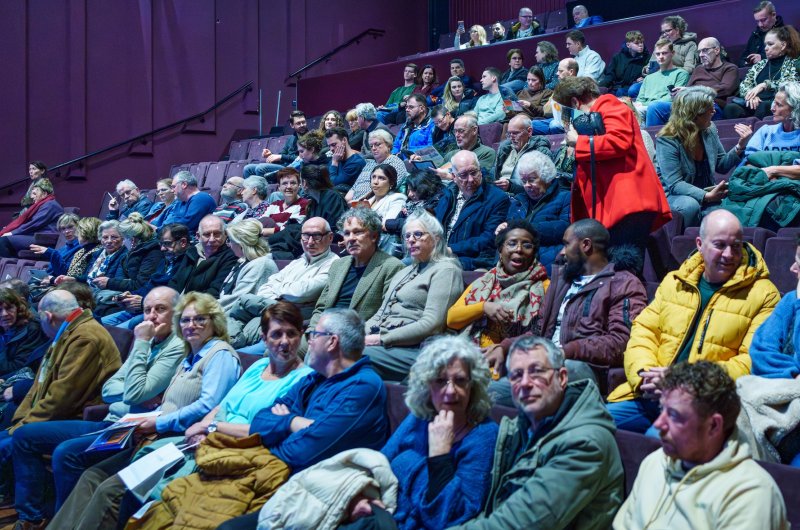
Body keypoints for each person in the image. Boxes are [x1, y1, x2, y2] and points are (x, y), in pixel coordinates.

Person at [48, 291, 241, 530]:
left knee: (111, 489)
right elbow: (113, 389)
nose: (191, 325)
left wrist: (157, 422)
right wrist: (148, 418)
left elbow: (208, 405)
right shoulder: (189, 356)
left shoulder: (219, 354)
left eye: (200, 319)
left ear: (215, 321)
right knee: (91, 476)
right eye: (185, 319)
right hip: (156, 436)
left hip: (183, 443)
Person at [118, 301, 314, 522]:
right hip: (206, 438)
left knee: (158, 499)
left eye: (292, 334)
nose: (285, 342)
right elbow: (222, 405)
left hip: (237, 450)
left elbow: (266, 429)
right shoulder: (258, 366)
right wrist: (203, 429)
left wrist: (209, 426)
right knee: (131, 486)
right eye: (277, 334)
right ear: (263, 337)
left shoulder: (304, 379)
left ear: (302, 334)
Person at [9, 287, 184, 526]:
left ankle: (65, 523)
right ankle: (32, 518)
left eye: (160, 309)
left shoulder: (173, 346)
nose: (151, 316)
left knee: (66, 452)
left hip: (133, 431)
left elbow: (135, 392)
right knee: (24, 435)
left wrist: (140, 349)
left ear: (177, 313)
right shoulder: (149, 341)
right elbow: (110, 388)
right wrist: (135, 393)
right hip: (110, 421)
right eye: (146, 310)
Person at [210, 308, 389, 530]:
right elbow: (261, 418)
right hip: (287, 479)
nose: (309, 342)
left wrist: (280, 428)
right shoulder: (315, 379)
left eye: (313, 335)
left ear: (332, 342)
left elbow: (302, 452)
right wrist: (292, 423)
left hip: (317, 491)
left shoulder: (362, 386)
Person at [607, 209, 781, 433]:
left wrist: (683, 381)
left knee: (657, 437)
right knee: (592, 426)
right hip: (652, 392)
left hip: (705, 401)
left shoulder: (763, 294)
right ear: (699, 244)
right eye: (720, 245)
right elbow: (644, 331)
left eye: (736, 246)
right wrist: (644, 375)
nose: (729, 254)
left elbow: (751, 361)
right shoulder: (675, 281)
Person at [451, 335, 623, 529]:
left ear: (562, 377)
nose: (525, 383)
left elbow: (518, 524)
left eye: (537, 372)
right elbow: (493, 511)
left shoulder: (586, 443)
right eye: (516, 375)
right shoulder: (519, 428)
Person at [613, 361, 789, 529]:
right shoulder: (655, 462)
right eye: (662, 409)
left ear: (713, 426)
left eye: (674, 415)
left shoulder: (750, 494)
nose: (659, 424)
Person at [348, 335, 499, 529]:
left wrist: (440, 456)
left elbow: (451, 517)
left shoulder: (483, 435)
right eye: (441, 381)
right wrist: (361, 497)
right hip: (378, 513)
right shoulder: (421, 416)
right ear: (427, 385)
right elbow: (380, 463)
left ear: (473, 385)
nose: (451, 391)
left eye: (460, 381)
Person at [0, 290, 121, 502]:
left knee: (16, 440)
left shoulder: (85, 337)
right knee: (10, 434)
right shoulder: (68, 331)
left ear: (48, 317)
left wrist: (22, 426)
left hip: (77, 417)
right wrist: (20, 421)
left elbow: (62, 397)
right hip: (56, 414)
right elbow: (38, 387)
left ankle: (30, 517)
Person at [554, 77, 672, 254]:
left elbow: (619, 141)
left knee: (624, 269)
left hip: (628, 205)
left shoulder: (609, 105)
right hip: (618, 205)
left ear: (575, 102)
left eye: (566, 110)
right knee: (617, 270)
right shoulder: (604, 109)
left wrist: (579, 141)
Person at [363, 211, 463, 382]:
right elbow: (380, 314)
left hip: (415, 349)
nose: (410, 240)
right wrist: (361, 336)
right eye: (407, 236)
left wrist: (381, 339)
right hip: (385, 342)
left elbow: (432, 324)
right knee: (330, 344)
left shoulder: (447, 270)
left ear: (436, 238)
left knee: (351, 353)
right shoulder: (405, 271)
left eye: (418, 234)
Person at [300, 207, 404, 355]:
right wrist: (313, 332)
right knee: (276, 352)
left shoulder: (391, 267)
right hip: (323, 331)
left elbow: (386, 313)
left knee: (315, 356)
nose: (351, 238)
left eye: (358, 232)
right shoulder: (338, 265)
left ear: (374, 236)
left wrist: (349, 336)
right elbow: (321, 307)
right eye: (347, 233)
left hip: (355, 337)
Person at [227, 217, 338, 347]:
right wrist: (285, 293)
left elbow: (301, 291)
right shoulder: (298, 262)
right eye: (306, 236)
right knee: (235, 320)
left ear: (330, 237)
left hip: (292, 318)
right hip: (273, 312)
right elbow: (264, 288)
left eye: (317, 236)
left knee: (243, 302)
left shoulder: (334, 264)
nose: (310, 242)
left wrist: (278, 288)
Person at [656, 86, 753, 226]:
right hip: (674, 195)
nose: (714, 111)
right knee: (690, 206)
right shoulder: (668, 139)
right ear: (694, 114)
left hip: (706, 191)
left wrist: (740, 146)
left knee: (725, 213)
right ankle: (686, 244)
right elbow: (675, 183)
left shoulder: (709, 128)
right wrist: (706, 196)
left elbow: (722, 165)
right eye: (709, 108)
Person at [448, 220, 546, 347]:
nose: (519, 249)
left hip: (514, 356)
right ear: (500, 250)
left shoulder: (544, 286)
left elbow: (540, 331)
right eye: (512, 243)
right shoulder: (485, 281)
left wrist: (502, 348)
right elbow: (451, 320)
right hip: (469, 351)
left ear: (534, 253)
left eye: (527, 245)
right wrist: (483, 308)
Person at [750, 234, 800, 466]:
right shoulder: (791, 301)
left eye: (799, 262)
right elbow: (761, 349)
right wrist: (793, 376)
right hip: (784, 402)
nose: (792, 269)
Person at [435, 150, 510, 270]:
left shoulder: (497, 199)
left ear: (480, 171)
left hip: (471, 259)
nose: (470, 179)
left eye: (473, 172)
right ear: (454, 177)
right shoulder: (448, 194)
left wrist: (451, 249)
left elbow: (489, 239)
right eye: (463, 175)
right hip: (440, 254)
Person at [645, 37, 740, 126]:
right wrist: (679, 93)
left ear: (717, 50)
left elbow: (725, 89)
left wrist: (692, 91)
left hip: (710, 105)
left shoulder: (730, 68)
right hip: (689, 104)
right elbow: (688, 89)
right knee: (654, 107)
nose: (701, 55)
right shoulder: (699, 69)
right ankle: (655, 142)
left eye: (705, 50)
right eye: (699, 52)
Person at [500, 151, 570, 271]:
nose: (527, 185)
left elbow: (565, 228)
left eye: (532, 180)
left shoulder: (565, 197)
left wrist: (525, 229)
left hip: (545, 263)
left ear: (546, 177)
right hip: (514, 262)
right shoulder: (518, 201)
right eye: (523, 181)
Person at [94, 213, 165, 315]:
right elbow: (124, 278)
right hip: (129, 294)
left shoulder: (153, 252)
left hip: (141, 300)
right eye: (105, 237)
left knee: (102, 310)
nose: (124, 240)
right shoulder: (133, 250)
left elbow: (140, 284)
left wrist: (110, 282)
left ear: (133, 239)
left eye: (124, 237)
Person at [724, 25, 800, 119]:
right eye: (765, 45)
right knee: (731, 108)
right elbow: (744, 85)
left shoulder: (792, 63)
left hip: (776, 101)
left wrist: (765, 85)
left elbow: (789, 85)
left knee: (764, 107)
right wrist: (751, 95)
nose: (766, 48)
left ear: (783, 45)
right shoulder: (759, 65)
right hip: (754, 102)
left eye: (770, 44)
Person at [217, 219, 278, 314]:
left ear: (241, 245)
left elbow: (237, 300)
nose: (228, 245)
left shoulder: (262, 265)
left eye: (230, 240)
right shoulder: (243, 261)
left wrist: (206, 309)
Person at [0, 179, 64, 258]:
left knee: (2, 241)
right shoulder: (44, 204)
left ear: (44, 194)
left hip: (44, 238)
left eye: (34, 193)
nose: (31, 196)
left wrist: (12, 233)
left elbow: (34, 224)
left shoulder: (50, 205)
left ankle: (10, 267)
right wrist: (11, 230)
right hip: (35, 234)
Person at [493, 114, 552, 195]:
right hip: (501, 195)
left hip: (523, 197)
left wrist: (511, 186)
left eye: (515, 133)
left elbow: (542, 184)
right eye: (509, 134)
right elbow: (495, 174)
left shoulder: (540, 151)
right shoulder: (504, 149)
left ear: (529, 131)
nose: (511, 137)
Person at [636, 39, 691, 124]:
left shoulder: (681, 73)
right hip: (647, 108)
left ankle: (650, 136)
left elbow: (673, 98)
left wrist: (648, 104)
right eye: (658, 54)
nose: (660, 57)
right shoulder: (648, 78)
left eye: (664, 53)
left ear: (672, 53)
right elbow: (640, 100)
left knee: (653, 107)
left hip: (668, 108)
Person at [0, 287, 48, 382]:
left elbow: (17, 368)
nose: (4, 314)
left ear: (17, 308)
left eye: (9, 308)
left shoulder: (32, 329)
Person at [242, 110, 309, 178]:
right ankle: (250, 187)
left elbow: (305, 158)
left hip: (296, 168)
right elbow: (282, 155)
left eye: (303, 122)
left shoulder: (311, 137)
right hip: (285, 166)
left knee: (261, 168)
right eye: (298, 123)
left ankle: (264, 187)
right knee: (247, 168)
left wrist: (281, 157)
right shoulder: (291, 138)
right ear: (292, 125)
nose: (302, 125)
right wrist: (271, 155)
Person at [348, 129, 409, 201]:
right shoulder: (369, 164)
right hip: (354, 204)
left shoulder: (395, 162)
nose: (373, 148)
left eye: (377, 144)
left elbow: (386, 190)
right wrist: (347, 202)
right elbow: (354, 187)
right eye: (371, 146)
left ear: (388, 145)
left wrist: (359, 201)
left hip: (374, 203)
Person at [744, 81, 800, 156]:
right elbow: (749, 161)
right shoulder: (765, 132)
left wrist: (772, 168)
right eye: (774, 103)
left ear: (795, 108)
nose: (772, 109)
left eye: (779, 105)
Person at [28, 213, 81, 286]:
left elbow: (65, 274)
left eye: (70, 227)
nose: (66, 231)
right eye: (63, 228)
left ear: (78, 227)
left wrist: (51, 253)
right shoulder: (63, 249)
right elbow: (51, 271)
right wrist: (43, 276)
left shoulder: (80, 248)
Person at [364, 165, 407, 253]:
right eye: (373, 177)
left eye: (381, 178)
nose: (375, 182)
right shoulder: (368, 200)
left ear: (391, 183)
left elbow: (387, 224)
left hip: (381, 244)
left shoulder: (397, 198)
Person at [599, 30, 649, 97]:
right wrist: (597, 87)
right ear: (628, 45)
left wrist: (644, 78)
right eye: (637, 43)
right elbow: (610, 76)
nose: (641, 45)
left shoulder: (647, 57)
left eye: (642, 42)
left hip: (635, 89)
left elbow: (650, 73)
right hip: (617, 88)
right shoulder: (617, 58)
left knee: (621, 92)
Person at [261, 168, 309, 235]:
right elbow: (260, 223)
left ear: (299, 186)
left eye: (293, 183)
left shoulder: (305, 204)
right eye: (285, 183)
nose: (289, 186)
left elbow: (291, 228)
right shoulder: (274, 204)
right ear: (279, 187)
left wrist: (264, 231)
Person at [739, 1, 785, 66]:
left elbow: (789, 56)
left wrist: (762, 58)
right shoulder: (755, 34)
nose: (760, 25)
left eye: (763, 20)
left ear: (773, 15)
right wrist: (747, 62)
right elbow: (741, 59)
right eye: (757, 21)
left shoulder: (786, 32)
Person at [392, 94, 435, 160]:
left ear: (422, 108)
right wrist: (394, 156)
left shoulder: (432, 124)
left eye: (411, 107)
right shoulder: (406, 124)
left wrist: (405, 153)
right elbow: (396, 145)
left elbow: (430, 148)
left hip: (419, 163)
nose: (407, 110)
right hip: (400, 161)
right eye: (406, 107)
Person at [326, 127, 366, 192]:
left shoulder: (356, 163)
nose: (331, 149)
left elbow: (332, 185)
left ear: (344, 140)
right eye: (329, 146)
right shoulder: (336, 157)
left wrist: (334, 162)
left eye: (334, 144)